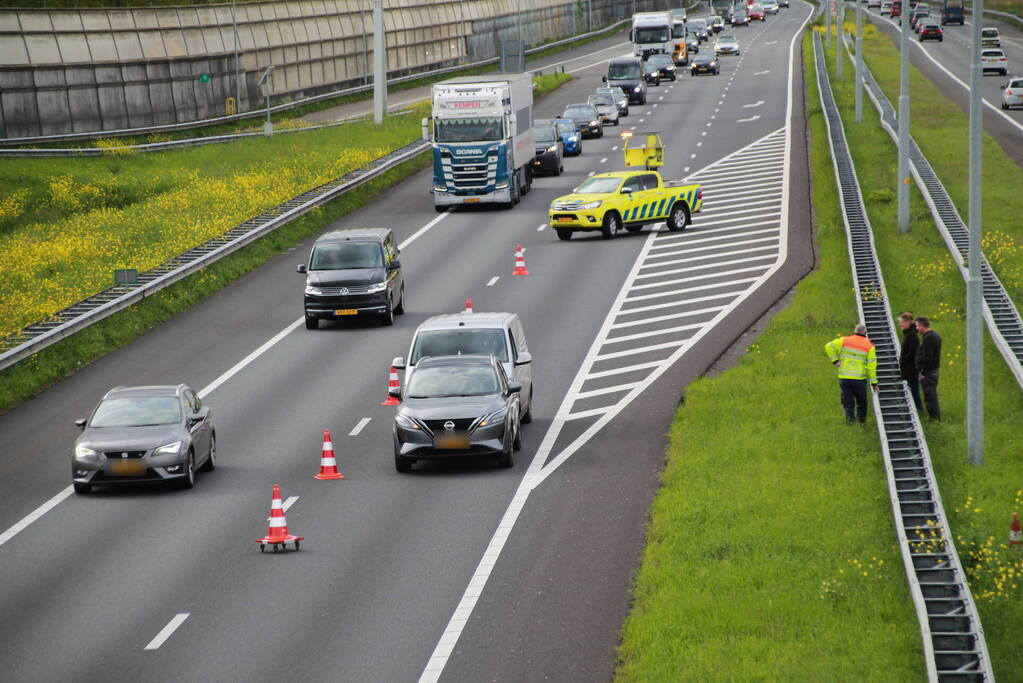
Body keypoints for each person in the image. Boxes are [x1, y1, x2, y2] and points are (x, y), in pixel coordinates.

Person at [825, 323, 879, 424]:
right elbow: (871, 367)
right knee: (861, 402)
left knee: (848, 402)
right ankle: (861, 422)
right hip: (859, 379)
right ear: (865, 333)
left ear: (855, 331)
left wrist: (835, 361)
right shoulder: (869, 346)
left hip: (844, 378)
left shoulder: (845, 340)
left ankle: (850, 421)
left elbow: (828, 346)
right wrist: (874, 383)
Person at [916, 316, 942, 421]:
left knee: (930, 396)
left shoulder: (929, 338)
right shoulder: (934, 336)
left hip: (929, 373)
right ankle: (933, 416)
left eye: (917, 326)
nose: (916, 328)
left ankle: (934, 418)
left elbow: (927, 357)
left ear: (922, 325)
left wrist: (923, 372)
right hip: (932, 371)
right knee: (930, 394)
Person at [897, 312, 922, 410]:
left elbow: (913, 352)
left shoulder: (912, 335)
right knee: (913, 391)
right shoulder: (910, 334)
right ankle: (917, 410)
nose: (900, 324)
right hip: (910, 369)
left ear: (908, 322)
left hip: (911, 370)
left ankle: (919, 410)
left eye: (902, 322)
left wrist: (903, 360)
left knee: (914, 392)